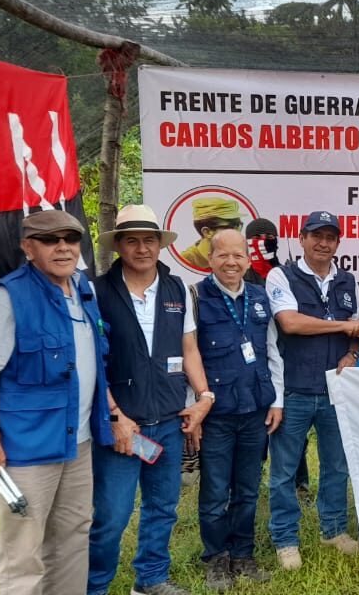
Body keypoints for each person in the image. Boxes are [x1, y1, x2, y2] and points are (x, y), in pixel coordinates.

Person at [0, 209, 114, 595]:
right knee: (24, 549)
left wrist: (113, 412)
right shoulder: (8, 298)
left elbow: (93, 362)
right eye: (51, 240)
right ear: (28, 248)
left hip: (77, 442)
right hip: (25, 449)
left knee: (72, 536)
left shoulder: (83, 290)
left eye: (71, 239)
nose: (63, 247)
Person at [88, 205, 214, 595]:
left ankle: (151, 580)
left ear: (160, 244)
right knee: (111, 516)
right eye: (132, 240)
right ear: (119, 246)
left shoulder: (177, 288)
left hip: (169, 421)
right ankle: (95, 587)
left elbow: (188, 347)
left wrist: (204, 398)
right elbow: (90, 358)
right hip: (123, 426)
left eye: (149, 240)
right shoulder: (96, 290)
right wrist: (114, 416)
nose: (141, 248)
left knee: (163, 509)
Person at [265, 210, 359, 570]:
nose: (323, 243)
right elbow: (290, 323)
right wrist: (340, 325)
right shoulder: (282, 275)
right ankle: (285, 539)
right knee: (283, 472)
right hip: (292, 389)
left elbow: (356, 336)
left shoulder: (349, 281)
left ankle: (334, 530)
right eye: (316, 236)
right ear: (303, 238)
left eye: (330, 237)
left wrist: (353, 353)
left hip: (334, 390)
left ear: (338, 243)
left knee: (336, 466)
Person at [190, 228, 276, 589]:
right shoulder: (196, 298)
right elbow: (187, 355)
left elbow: (273, 352)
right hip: (217, 416)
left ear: (247, 259)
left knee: (248, 489)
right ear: (211, 259)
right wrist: (193, 411)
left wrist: (279, 401)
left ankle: (243, 555)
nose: (231, 262)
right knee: (214, 491)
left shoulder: (260, 297)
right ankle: (215, 558)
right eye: (223, 255)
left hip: (255, 411)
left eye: (238, 255)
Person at [240, 216, 308, 493]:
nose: (264, 242)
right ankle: (251, 482)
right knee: (256, 428)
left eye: (269, 236)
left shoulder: (285, 273)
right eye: (258, 237)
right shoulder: (240, 275)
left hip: (287, 359)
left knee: (291, 429)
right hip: (251, 363)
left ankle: (299, 480)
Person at [180, 197, 243, 270]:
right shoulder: (185, 261)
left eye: (238, 226)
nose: (237, 233)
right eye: (230, 228)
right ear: (207, 232)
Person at [243, 217, 282, 287]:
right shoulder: (240, 277)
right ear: (247, 242)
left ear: (275, 241)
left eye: (269, 237)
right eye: (257, 238)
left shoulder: (287, 275)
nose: (263, 241)